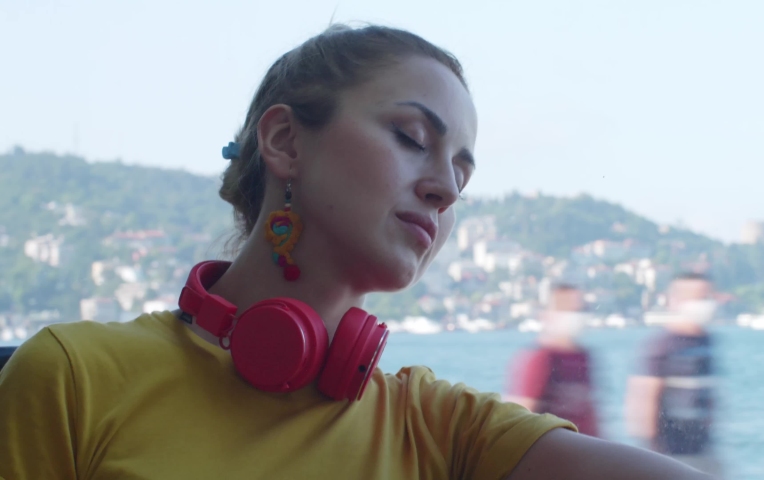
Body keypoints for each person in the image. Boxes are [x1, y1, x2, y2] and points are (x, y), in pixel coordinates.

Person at [0, 24, 713, 479]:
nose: (443, 190)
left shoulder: (437, 428)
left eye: (461, 173)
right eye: (410, 137)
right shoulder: (72, 378)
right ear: (284, 142)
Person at [625, 272, 723, 477]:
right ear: (676, 301)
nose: (704, 303)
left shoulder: (706, 341)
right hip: (671, 455)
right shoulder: (662, 345)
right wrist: (653, 459)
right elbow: (645, 400)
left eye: (706, 296)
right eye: (697, 297)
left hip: (704, 452)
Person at [504, 284, 600, 437]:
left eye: (581, 310)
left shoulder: (583, 357)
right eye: (570, 311)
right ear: (550, 315)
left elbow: (591, 414)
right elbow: (517, 419)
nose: (577, 316)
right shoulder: (539, 359)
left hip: (583, 450)